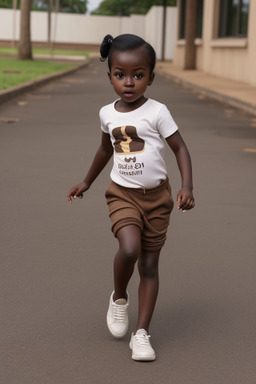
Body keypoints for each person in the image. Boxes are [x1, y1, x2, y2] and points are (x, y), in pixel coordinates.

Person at [67, 33, 195, 361]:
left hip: (158, 199)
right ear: (109, 75)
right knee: (129, 249)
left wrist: (186, 187)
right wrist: (86, 181)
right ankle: (120, 296)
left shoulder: (157, 112)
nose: (129, 82)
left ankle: (141, 334)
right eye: (120, 75)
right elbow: (104, 149)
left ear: (151, 77)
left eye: (138, 75)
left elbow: (179, 148)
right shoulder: (107, 114)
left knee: (149, 265)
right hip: (121, 193)